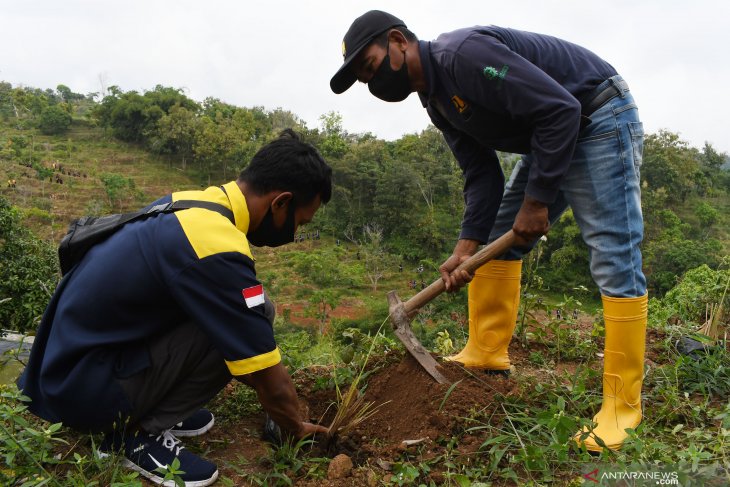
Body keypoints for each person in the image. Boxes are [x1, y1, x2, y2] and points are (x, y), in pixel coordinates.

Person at [331, 10, 647, 453]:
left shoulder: (464, 57)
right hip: (553, 134)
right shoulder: (436, 101)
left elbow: (561, 108)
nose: (372, 81)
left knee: (613, 256)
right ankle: (487, 351)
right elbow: (481, 175)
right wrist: (465, 249)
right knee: (501, 240)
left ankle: (622, 408)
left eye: (370, 65)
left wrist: (536, 203)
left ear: (399, 41)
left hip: (597, 117)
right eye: (364, 79)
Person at [18, 130, 332, 486]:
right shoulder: (215, 243)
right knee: (245, 320)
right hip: (82, 390)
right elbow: (260, 364)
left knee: (255, 309)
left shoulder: (192, 203)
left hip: (67, 366)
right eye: (300, 222)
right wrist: (293, 423)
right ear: (280, 203)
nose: (294, 234)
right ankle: (133, 436)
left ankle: (154, 408)